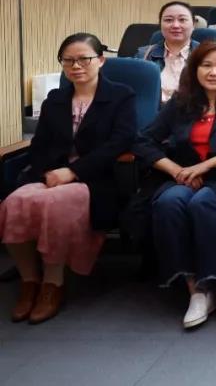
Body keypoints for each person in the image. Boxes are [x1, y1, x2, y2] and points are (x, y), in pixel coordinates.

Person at [2, 33, 136, 324]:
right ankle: (29, 280)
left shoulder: (121, 95)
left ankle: (53, 283)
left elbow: (120, 142)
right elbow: (39, 145)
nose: (76, 66)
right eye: (68, 61)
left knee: (55, 205)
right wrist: (45, 174)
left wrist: (74, 172)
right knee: (14, 202)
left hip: (96, 179)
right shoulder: (55, 99)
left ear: (101, 60)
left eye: (84, 59)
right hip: (51, 176)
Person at [134, 40, 216, 329]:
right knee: (169, 202)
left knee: (203, 202)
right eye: (206, 65)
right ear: (194, 68)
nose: (214, 72)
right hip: (183, 177)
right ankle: (197, 289)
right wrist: (175, 170)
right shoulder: (181, 101)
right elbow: (143, 141)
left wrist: (205, 166)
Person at [137, 1, 196, 104]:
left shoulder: (206, 55)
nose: (175, 25)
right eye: (168, 20)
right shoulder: (144, 55)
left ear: (193, 24)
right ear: (160, 24)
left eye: (182, 20)